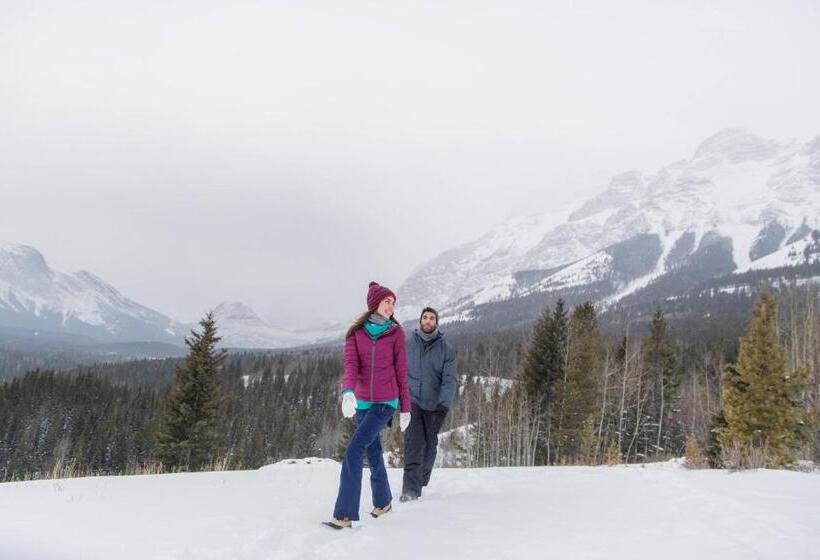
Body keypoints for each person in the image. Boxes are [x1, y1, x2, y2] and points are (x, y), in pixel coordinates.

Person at [324, 281, 411, 529]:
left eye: (393, 303)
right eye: (387, 301)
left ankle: (343, 515)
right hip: (362, 403)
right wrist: (348, 392)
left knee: (353, 451)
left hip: (385, 403)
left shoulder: (396, 333)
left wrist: (405, 408)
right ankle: (383, 503)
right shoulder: (356, 333)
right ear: (375, 304)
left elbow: (401, 373)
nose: (391, 306)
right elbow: (351, 367)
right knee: (373, 453)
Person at [400, 306, 458, 502]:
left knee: (430, 446)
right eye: (425, 317)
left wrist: (443, 407)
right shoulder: (408, 345)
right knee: (413, 444)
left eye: (431, 318)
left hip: (434, 405)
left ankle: (421, 479)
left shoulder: (446, 349)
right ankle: (410, 490)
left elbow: (449, 380)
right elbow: (398, 372)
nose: (427, 321)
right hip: (412, 402)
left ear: (436, 323)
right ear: (420, 321)